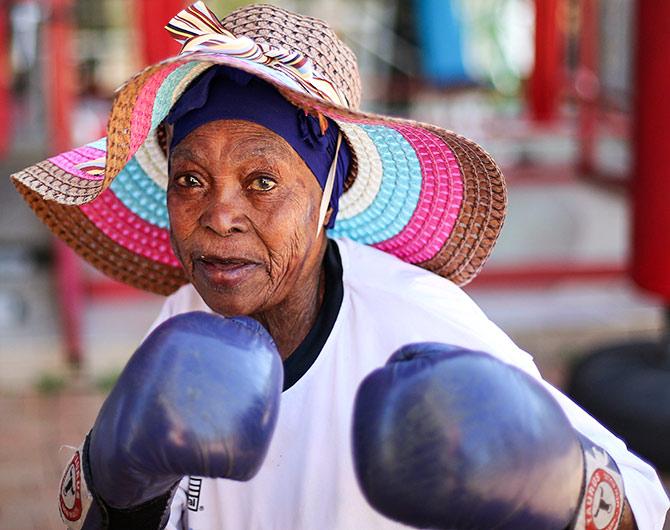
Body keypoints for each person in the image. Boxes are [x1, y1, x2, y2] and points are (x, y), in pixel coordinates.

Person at [10, 2, 669, 529]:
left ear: (329, 196)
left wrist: (554, 483)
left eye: (262, 182)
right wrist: (114, 483)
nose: (218, 215)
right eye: (189, 180)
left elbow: (647, 503)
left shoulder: (416, 321)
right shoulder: (184, 314)